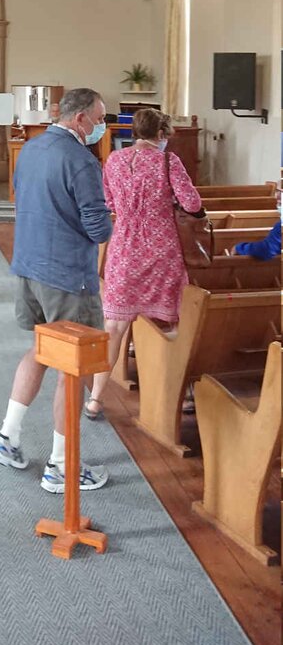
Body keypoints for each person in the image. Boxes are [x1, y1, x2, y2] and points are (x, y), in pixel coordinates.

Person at [0, 88, 113, 494]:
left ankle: (7, 437)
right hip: (66, 275)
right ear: (80, 120)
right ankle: (61, 465)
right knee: (72, 369)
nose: (101, 127)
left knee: (42, 348)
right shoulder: (81, 160)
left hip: (28, 265)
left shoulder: (32, 149)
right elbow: (98, 228)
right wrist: (110, 220)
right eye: (98, 118)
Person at [86, 108, 203, 421]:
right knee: (174, 321)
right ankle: (184, 393)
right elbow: (192, 203)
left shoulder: (115, 160)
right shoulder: (168, 161)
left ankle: (95, 399)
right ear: (161, 134)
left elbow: (108, 202)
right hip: (162, 249)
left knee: (113, 326)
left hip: (124, 247)